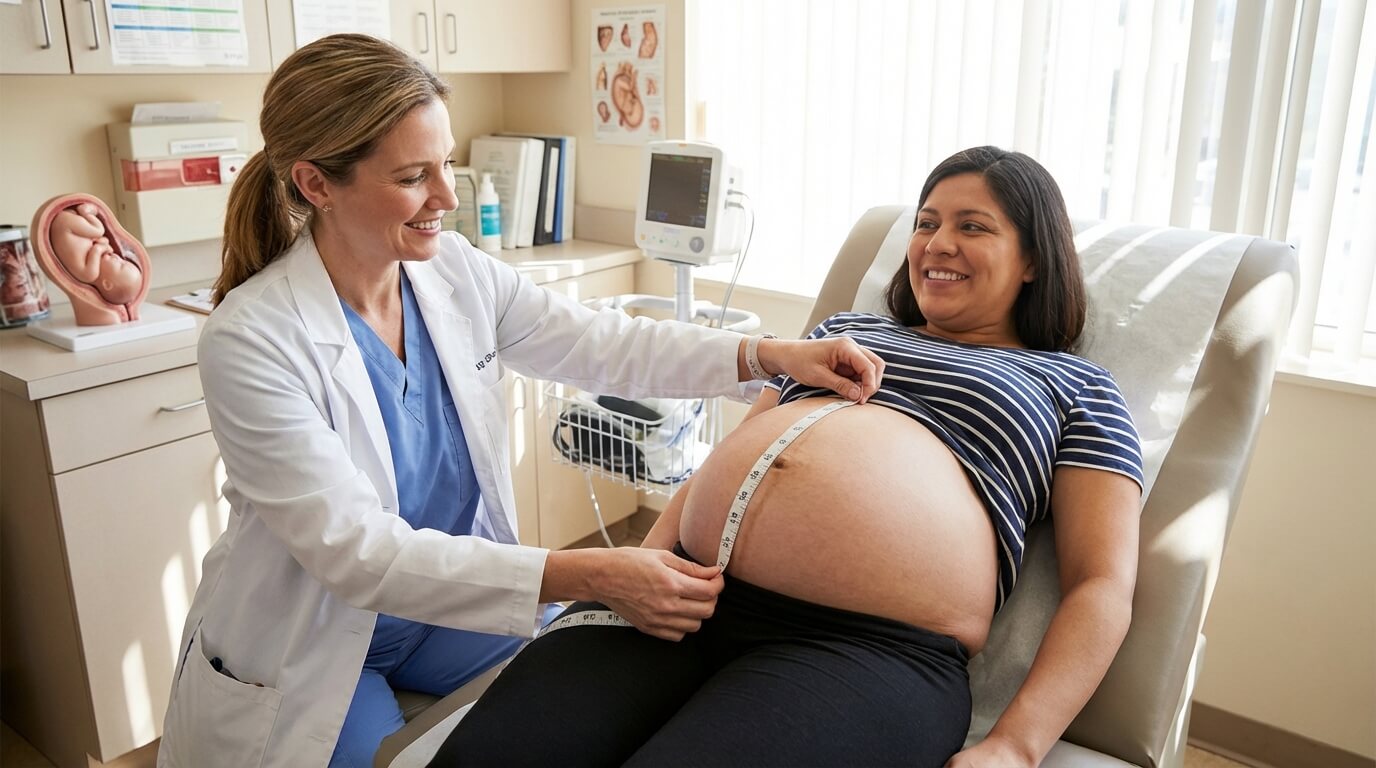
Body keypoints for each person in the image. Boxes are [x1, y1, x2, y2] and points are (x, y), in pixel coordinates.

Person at [155, 33, 882, 768]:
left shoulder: (454, 274)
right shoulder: (252, 339)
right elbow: (359, 555)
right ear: (316, 184)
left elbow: (604, 343)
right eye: (413, 177)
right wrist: (596, 571)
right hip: (312, 631)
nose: (446, 196)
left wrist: (766, 355)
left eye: (445, 163)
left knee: (572, 689)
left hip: (438, 609)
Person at [434, 146, 1145, 768]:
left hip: (864, 649)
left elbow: (1101, 584)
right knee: (485, 756)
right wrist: (642, 565)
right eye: (926, 223)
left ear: (1033, 260)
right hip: (683, 591)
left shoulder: (1075, 386)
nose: (937, 242)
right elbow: (735, 457)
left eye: (973, 226)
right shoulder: (847, 330)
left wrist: (1016, 747)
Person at [49, 202, 142, 305]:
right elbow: (100, 243)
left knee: (99, 231)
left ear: (107, 284)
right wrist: (104, 244)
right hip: (68, 225)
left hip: (66, 227)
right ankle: (82, 216)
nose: (118, 257)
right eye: (122, 260)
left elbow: (97, 248)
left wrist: (103, 246)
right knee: (96, 235)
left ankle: (87, 213)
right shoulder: (96, 265)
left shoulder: (90, 274)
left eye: (120, 265)